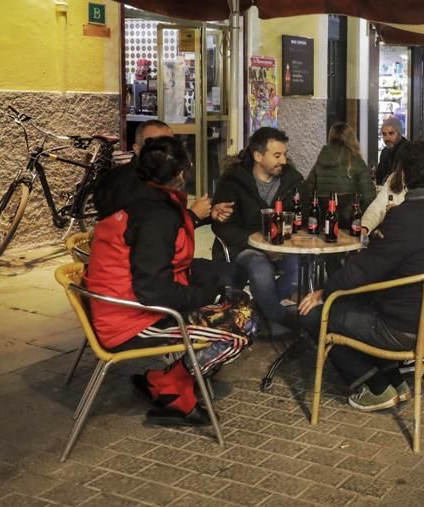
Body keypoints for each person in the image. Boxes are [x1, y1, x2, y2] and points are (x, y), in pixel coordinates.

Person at [86, 137, 256, 426]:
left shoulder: (136, 199)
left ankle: (166, 380)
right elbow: (154, 289)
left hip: (120, 308)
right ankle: (173, 388)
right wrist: (207, 296)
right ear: (180, 175)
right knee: (244, 325)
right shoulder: (155, 216)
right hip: (131, 322)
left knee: (231, 296)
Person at [296, 141, 424, 411]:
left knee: (315, 314)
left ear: (405, 174)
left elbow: (364, 268)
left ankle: (373, 387)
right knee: (354, 304)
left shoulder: (406, 217)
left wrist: (324, 292)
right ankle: (395, 382)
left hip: (402, 328)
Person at [212, 127, 304, 335]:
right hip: (243, 247)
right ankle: (279, 315)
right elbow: (222, 225)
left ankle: (260, 308)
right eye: (277, 155)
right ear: (258, 156)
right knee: (260, 267)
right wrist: (256, 243)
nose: (284, 161)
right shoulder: (234, 182)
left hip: (282, 246)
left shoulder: (293, 181)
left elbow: (302, 217)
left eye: (285, 155)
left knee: (301, 267)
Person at [95, 120, 233, 226]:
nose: (166, 153)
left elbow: (176, 219)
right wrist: (193, 216)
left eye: (170, 145)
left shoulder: (167, 175)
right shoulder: (123, 183)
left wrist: (209, 213)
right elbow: (151, 232)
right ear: (137, 149)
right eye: (156, 147)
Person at [302, 122, 376, 222]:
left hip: (324, 219)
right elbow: (368, 197)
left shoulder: (321, 160)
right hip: (349, 221)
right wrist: (358, 215)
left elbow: (306, 192)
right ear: (352, 139)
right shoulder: (356, 161)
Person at [374, 116, 408, 186]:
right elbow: (379, 177)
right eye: (384, 134)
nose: (387, 138)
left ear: (399, 133)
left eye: (391, 133)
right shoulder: (385, 151)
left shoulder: (409, 150)